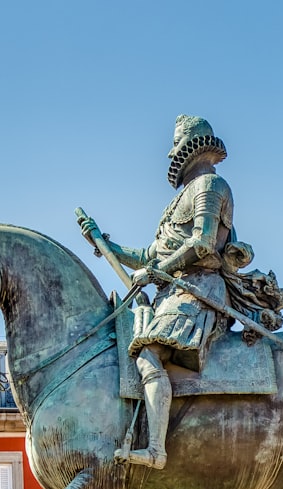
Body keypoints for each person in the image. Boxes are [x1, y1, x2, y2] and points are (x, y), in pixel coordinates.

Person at [80, 115, 237, 470]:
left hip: (199, 291)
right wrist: (107, 244)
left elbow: (202, 243)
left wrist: (159, 271)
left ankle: (155, 449)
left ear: (189, 149)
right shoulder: (180, 198)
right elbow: (150, 255)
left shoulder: (211, 186)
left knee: (148, 353)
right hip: (173, 291)